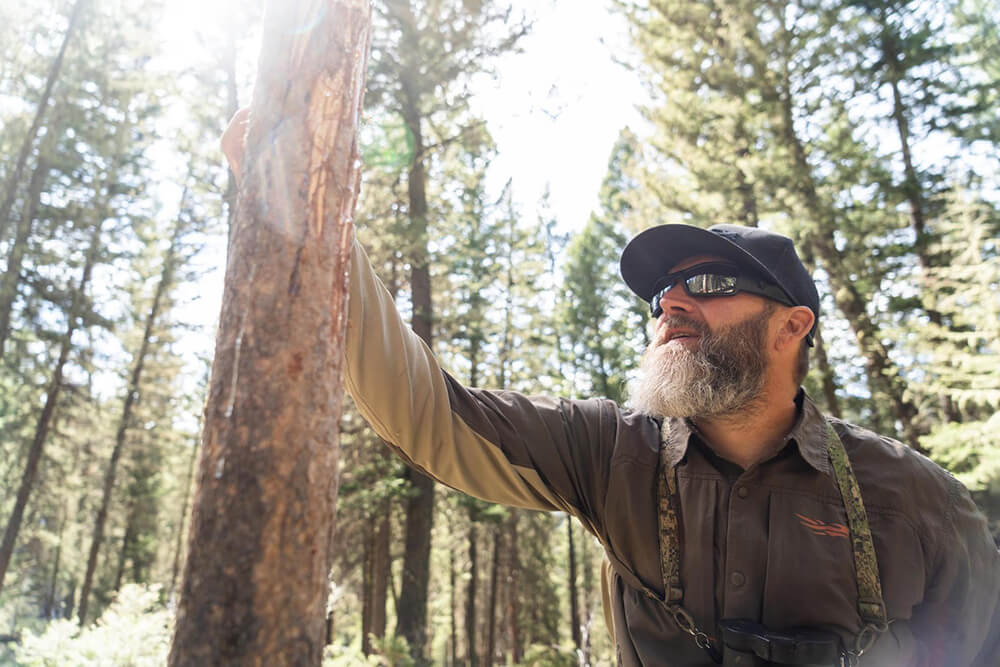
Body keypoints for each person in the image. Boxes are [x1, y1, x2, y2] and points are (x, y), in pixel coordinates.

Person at [222, 111, 1000, 666]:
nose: (671, 303)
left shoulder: (916, 497)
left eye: (708, 280)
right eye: (660, 293)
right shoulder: (610, 452)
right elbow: (426, 409)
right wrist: (319, 220)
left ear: (792, 326)